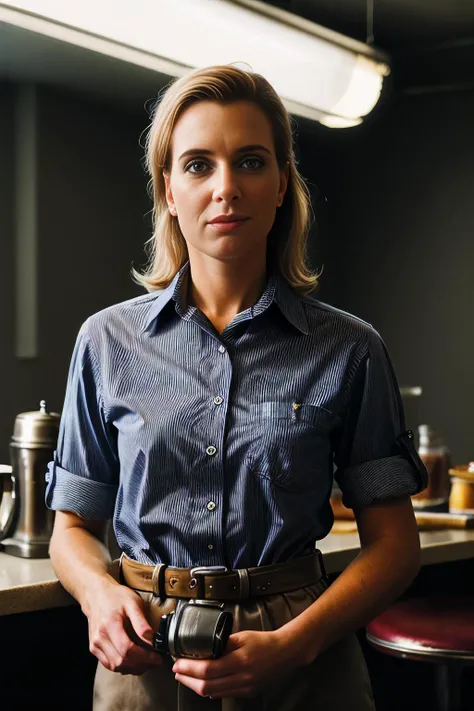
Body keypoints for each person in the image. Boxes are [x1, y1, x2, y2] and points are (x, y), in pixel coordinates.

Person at [45, 64, 427, 711]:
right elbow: (72, 528)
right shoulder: (105, 342)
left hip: (302, 661)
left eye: (250, 161)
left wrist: (297, 644)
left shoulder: (351, 348)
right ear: (169, 190)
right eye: (198, 165)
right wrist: (99, 594)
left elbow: (395, 545)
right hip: (145, 659)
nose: (226, 188)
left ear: (281, 185)